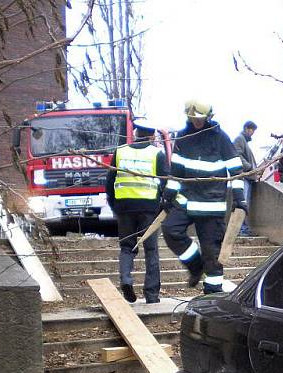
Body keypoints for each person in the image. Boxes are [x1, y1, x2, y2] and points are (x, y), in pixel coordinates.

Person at [161, 98, 247, 294]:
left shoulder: (220, 138)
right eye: (193, 119)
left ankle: (213, 292)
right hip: (186, 201)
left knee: (212, 254)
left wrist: (239, 198)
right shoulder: (182, 138)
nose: (197, 122)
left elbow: (236, 170)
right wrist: (168, 195)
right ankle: (195, 265)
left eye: (200, 119)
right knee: (170, 230)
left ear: (208, 117)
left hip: (211, 205)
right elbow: (176, 172)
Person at [106, 118, 168, 304]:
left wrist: (114, 205)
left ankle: (126, 279)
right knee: (151, 250)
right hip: (149, 208)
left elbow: (110, 182)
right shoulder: (157, 154)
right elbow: (165, 181)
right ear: (151, 135)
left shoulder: (120, 152)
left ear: (135, 133)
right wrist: (164, 204)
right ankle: (151, 294)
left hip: (124, 208)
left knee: (126, 247)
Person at [233, 120, 257, 236]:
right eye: (252, 130)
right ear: (247, 129)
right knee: (243, 202)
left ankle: (243, 228)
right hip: (244, 177)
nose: (253, 133)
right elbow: (236, 155)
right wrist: (248, 167)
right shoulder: (239, 139)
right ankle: (241, 229)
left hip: (248, 177)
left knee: (244, 202)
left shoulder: (243, 141)